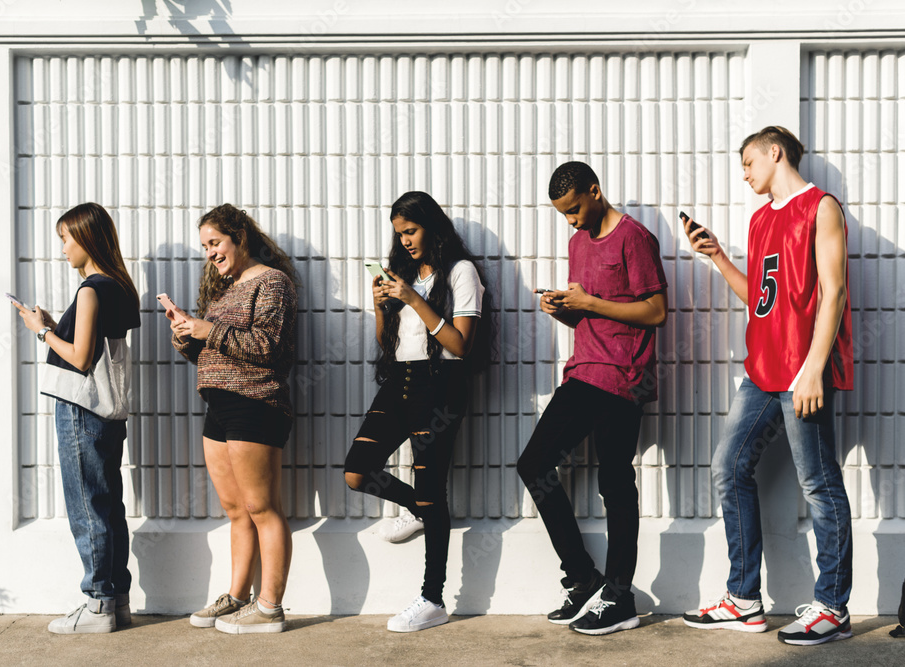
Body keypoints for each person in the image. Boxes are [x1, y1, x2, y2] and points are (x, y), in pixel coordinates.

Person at [681, 126, 854, 646]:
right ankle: (744, 600)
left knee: (819, 485)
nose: (745, 174)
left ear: (775, 152)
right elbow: (759, 296)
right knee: (728, 469)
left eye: (749, 163)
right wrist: (716, 256)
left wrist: (814, 367)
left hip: (801, 371)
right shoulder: (760, 220)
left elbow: (835, 290)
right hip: (761, 370)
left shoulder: (821, 207)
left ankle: (833, 607)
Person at [517, 161, 668, 636]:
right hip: (584, 370)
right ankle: (583, 578)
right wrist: (563, 309)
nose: (572, 221)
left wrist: (589, 304)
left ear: (595, 191)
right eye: (564, 214)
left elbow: (657, 311)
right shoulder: (577, 242)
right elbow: (590, 316)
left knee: (615, 483)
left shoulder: (635, 238)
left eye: (575, 209)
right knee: (533, 465)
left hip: (626, 377)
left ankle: (620, 596)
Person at [343, 191, 489, 632]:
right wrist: (381, 305)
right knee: (357, 470)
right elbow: (388, 343)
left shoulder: (461, 272)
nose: (405, 241)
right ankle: (418, 509)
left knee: (432, 490)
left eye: (411, 230)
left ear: (432, 226)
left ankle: (433, 599)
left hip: (440, 385)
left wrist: (412, 297)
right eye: (399, 234)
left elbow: (461, 345)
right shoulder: (405, 272)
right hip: (400, 380)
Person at [170, 204, 298, 634]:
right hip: (220, 405)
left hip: (257, 402)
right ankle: (238, 596)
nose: (210, 253)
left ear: (239, 236)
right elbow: (221, 351)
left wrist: (208, 331)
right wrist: (188, 336)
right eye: (204, 246)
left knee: (262, 507)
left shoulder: (272, 283)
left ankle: (270, 609)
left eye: (215, 242)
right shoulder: (224, 290)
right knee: (234, 509)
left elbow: (268, 347)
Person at [15, 203, 140, 634]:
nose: (63, 248)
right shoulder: (118, 287)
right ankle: (117, 600)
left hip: (80, 410)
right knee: (109, 504)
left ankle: (98, 604)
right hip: (108, 412)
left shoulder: (90, 290)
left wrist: (40, 329)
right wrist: (56, 325)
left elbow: (81, 358)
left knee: (86, 505)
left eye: (66, 238)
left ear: (86, 238)